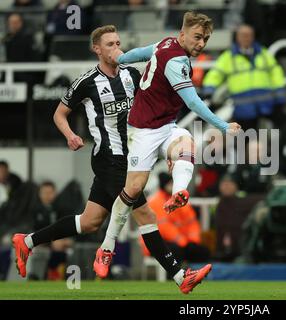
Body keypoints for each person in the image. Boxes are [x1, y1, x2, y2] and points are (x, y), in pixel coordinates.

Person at [11, 25, 205, 294]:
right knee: (146, 214)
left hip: (133, 154)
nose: (117, 48)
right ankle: (180, 276)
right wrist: (70, 135)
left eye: (118, 43)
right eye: (110, 44)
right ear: (97, 49)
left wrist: (168, 147)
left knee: (89, 221)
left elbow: (154, 115)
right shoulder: (86, 82)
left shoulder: (133, 75)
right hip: (108, 158)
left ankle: (27, 242)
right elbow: (59, 114)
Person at [100, 11, 240, 292]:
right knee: (133, 190)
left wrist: (121, 58)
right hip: (142, 131)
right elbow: (194, 102)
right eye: (198, 37)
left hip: (166, 125)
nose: (201, 43)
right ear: (184, 33)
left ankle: (179, 191)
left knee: (186, 144)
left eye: (206, 38)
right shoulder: (177, 61)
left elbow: (142, 51)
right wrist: (223, 126)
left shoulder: (166, 44)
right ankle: (106, 246)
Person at [202, 24, 286, 130]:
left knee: (273, 138)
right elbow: (215, 74)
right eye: (243, 35)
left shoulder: (264, 54)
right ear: (237, 37)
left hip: (267, 105)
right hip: (243, 108)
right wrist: (209, 89)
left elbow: (276, 72)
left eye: (249, 35)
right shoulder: (228, 57)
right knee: (245, 141)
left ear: (253, 36)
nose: (246, 38)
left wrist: (279, 93)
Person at [140, 173, 210, 263]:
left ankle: (194, 275)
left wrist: (193, 241)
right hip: (157, 243)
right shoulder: (155, 202)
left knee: (202, 252)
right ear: (164, 185)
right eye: (170, 183)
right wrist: (183, 242)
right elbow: (164, 228)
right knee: (175, 252)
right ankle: (175, 276)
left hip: (180, 242)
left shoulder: (180, 199)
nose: (173, 186)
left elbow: (192, 222)